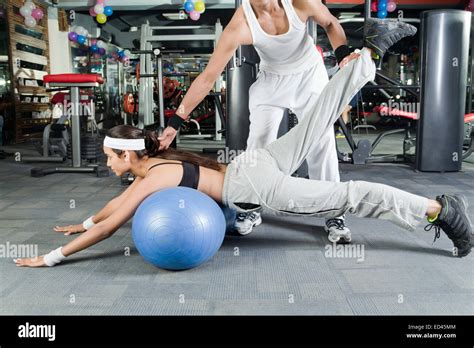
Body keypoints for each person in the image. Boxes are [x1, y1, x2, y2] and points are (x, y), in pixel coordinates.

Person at [15, 21, 472, 268]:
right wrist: (84, 220)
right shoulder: (157, 166)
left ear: (130, 155)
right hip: (254, 163)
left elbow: (112, 225)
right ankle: (366, 54)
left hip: (257, 185)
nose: (109, 166)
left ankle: (439, 210)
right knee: (318, 118)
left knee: (351, 195)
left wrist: (54, 257)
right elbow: (108, 216)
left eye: (111, 158)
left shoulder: (149, 179)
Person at [158, 0, 358, 239]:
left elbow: (331, 23)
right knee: (258, 145)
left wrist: (343, 54)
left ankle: (333, 212)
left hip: (309, 75)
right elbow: (208, 77)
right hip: (271, 79)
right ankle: (252, 206)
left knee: (321, 140)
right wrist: (175, 123)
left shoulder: (300, 3)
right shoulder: (240, 25)